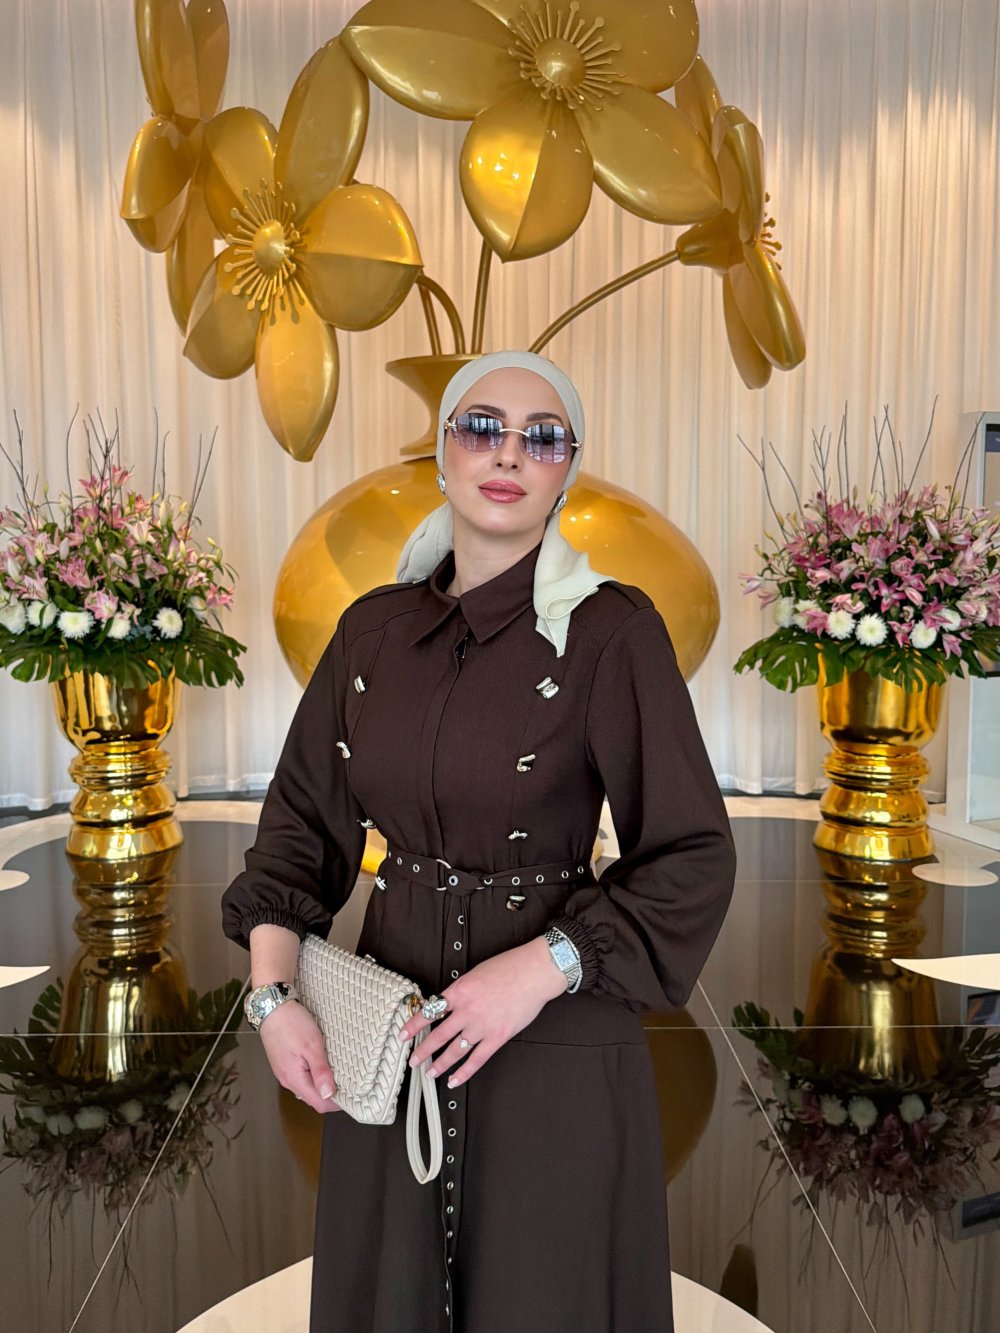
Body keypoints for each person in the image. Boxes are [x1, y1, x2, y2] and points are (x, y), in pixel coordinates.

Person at [222, 350, 737, 1333]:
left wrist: (540, 968)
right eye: (482, 427)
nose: (508, 454)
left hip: (559, 1024)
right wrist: (274, 1000)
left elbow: (691, 854)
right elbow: (296, 835)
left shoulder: (612, 633)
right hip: (393, 1027)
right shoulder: (370, 635)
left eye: (541, 437)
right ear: (443, 450)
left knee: (548, 1291)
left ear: (567, 467)